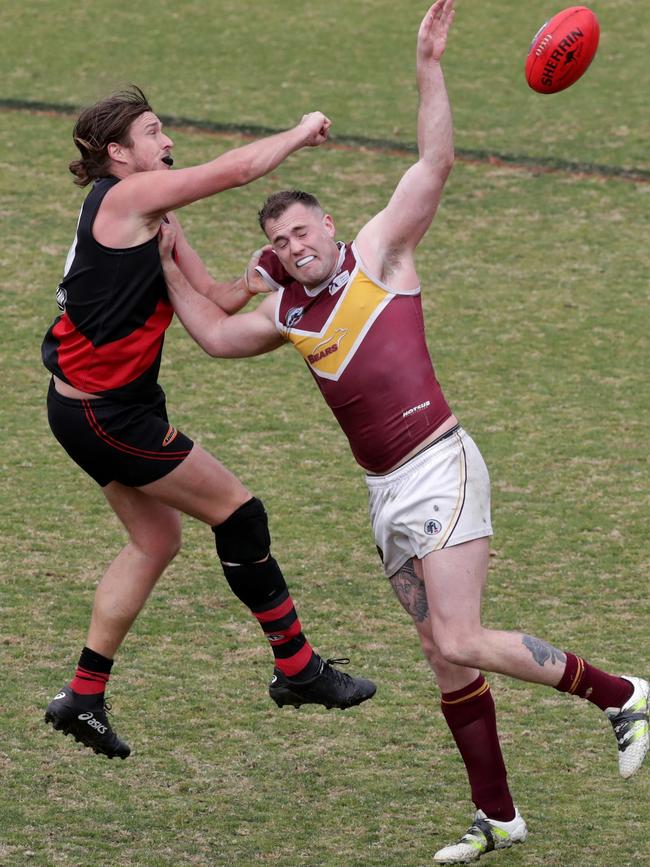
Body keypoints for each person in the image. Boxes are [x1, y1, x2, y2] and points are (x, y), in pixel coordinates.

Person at [157, 1, 649, 861]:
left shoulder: (380, 252)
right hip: (386, 491)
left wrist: (429, 65)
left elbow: (436, 160)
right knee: (443, 655)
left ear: (329, 227)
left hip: (440, 465)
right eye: (280, 238)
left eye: (303, 229)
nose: (295, 244)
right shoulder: (286, 311)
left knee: (460, 635)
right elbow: (213, 334)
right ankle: (498, 816)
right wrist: (161, 251)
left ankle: (624, 693)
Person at [41, 86, 377, 762]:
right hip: (103, 412)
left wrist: (254, 283)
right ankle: (297, 668)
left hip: (105, 406)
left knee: (155, 540)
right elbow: (235, 171)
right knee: (240, 513)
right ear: (119, 153)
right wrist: (300, 128)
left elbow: (211, 309)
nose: (168, 142)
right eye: (154, 131)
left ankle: (82, 695)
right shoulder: (122, 199)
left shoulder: (156, 218)